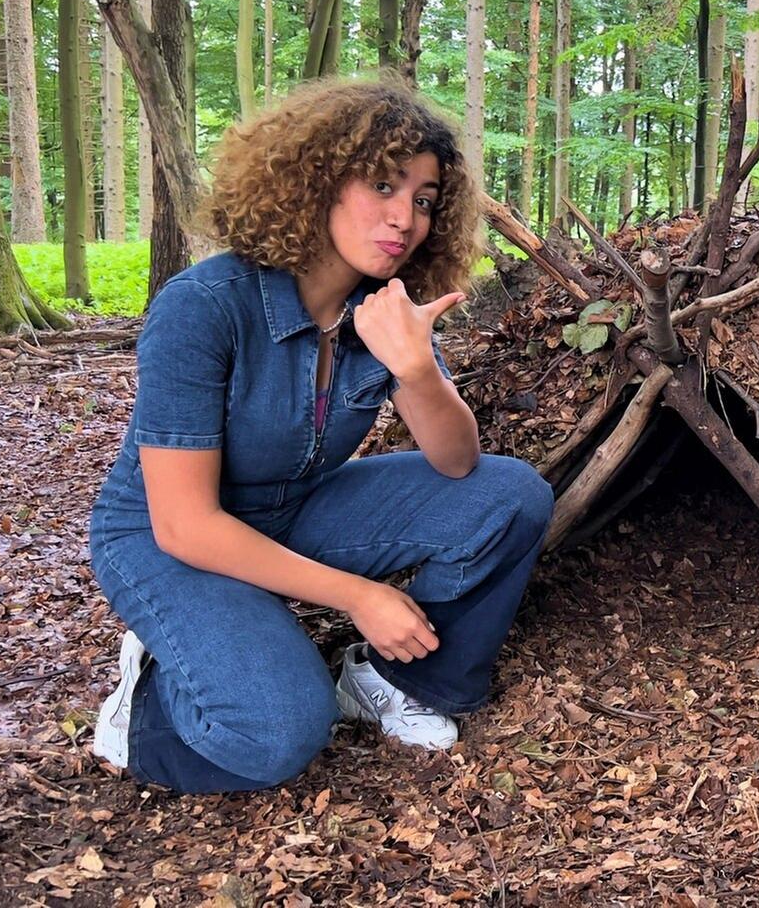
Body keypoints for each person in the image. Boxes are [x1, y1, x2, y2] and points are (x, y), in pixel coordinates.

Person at [86, 79, 553, 792]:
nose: (406, 219)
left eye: (424, 201)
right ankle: (145, 707)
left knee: (508, 495)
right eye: (383, 187)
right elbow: (184, 525)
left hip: (293, 509)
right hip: (165, 535)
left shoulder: (382, 310)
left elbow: (460, 463)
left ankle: (395, 680)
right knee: (278, 734)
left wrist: (417, 371)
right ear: (319, 183)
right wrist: (358, 597)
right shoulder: (205, 307)